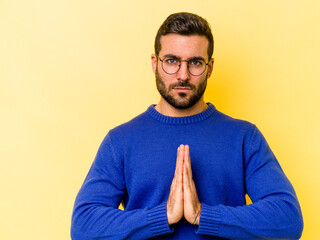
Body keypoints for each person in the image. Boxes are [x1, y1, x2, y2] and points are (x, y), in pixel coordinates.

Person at [71, 12, 303, 240]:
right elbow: (83, 227)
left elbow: (288, 220)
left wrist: (204, 215)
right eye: (171, 61)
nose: (183, 75)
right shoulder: (120, 141)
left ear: (210, 68)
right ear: (155, 63)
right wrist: (162, 216)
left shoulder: (244, 137)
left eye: (195, 62)